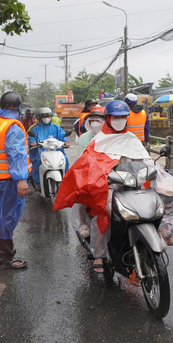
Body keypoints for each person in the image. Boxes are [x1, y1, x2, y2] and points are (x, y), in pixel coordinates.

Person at [54, 100, 149, 274]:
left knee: (154, 201)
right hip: (108, 186)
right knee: (103, 211)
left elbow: (146, 161)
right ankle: (99, 253)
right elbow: (87, 164)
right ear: (108, 118)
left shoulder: (132, 139)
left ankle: (160, 233)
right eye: (115, 117)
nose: (119, 120)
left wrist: (157, 173)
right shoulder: (99, 141)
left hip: (131, 185)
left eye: (122, 117)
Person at [0, 91, 32, 270]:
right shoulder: (13, 126)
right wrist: (21, 179)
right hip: (7, 183)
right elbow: (16, 154)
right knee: (6, 219)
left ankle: (6, 254)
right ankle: (4, 260)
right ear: (18, 107)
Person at [28, 107, 70, 189]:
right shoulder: (35, 129)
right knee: (38, 161)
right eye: (44, 116)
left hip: (56, 151)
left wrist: (65, 142)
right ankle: (38, 183)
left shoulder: (56, 128)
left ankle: (66, 181)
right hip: (41, 152)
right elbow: (31, 139)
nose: (47, 118)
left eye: (48, 116)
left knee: (65, 160)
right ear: (40, 117)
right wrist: (33, 143)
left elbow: (63, 136)